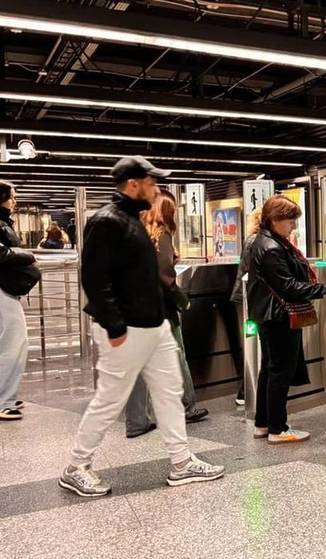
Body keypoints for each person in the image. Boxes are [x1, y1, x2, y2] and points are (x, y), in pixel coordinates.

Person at [60, 156, 225, 497]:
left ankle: (181, 463)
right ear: (133, 185)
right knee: (110, 398)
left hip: (154, 325)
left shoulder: (134, 220)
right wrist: (114, 326)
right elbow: (93, 277)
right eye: (151, 182)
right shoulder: (107, 221)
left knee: (169, 390)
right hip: (127, 329)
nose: (156, 188)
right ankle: (76, 466)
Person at [247, 195, 326, 444]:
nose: (294, 226)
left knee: (269, 369)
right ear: (275, 220)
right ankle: (278, 428)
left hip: (268, 315)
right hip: (280, 316)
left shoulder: (262, 241)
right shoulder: (273, 248)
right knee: (280, 372)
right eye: (290, 221)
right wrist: (324, 289)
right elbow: (288, 286)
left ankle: (263, 423)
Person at [125, 189, 209, 438]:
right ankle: (186, 406)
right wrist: (183, 301)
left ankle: (136, 421)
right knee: (177, 355)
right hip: (159, 310)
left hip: (133, 310)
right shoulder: (162, 235)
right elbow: (163, 277)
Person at [0, 180, 30, 420]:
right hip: (2, 290)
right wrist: (26, 254)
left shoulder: (3, 221)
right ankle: (3, 400)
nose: (15, 201)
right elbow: (3, 253)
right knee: (14, 343)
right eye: (12, 196)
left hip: (6, 288)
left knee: (9, 343)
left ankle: (5, 395)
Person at [229, 208, 262, 406]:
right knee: (250, 343)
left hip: (246, 296)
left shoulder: (253, 239)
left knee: (250, 342)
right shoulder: (255, 241)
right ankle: (245, 391)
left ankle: (247, 390)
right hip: (247, 297)